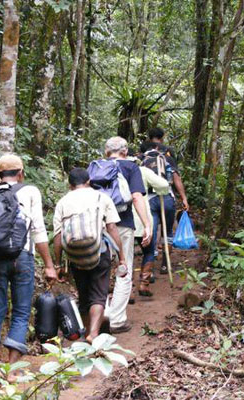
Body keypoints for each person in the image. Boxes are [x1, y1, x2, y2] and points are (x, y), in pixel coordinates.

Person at [0, 154, 57, 382]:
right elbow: (39, 231)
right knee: (21, 312)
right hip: (22, 257)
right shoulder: (30, 191)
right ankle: (13, 369)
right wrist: (49, 265)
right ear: (21, 173)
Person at [53, 168, 126, 342]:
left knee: (84, 296)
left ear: (70, 185)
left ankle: (87, 333)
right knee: (99, 295)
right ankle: (93, 334)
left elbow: (58, 236)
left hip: (75, 257)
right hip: (99, 251)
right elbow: (112, 228)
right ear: (89, 181)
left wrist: (58, 264)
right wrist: (121, 256)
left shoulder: (63, 202)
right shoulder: (101, 197)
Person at [98, 137, 152, 334]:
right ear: (125, 151)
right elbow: (137, 197)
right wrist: (147, 224)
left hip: (98, 225)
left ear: (106, 151)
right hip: (123, 224)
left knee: (101, 271)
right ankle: (117, 319)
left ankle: (101, 315)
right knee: (124, 269)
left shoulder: (95, 167)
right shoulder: (130, 167)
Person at [141, 135, 189, 275]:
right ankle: (164, 265)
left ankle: (148, 269)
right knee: (167, 231)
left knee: (152, 230)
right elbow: (175, 179)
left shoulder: (142, 161)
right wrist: (184, 198)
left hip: (150, 199)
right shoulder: (167, 159)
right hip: (167, 198)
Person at [132, 161, 169, 296]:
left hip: (122, 219)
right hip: (142, 218)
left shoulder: (114, 170)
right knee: (148, 251)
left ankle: (128, 290)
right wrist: (158, 191)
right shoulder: (142, 170)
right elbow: (164, 185)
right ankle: (144, 285)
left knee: (125, 255)